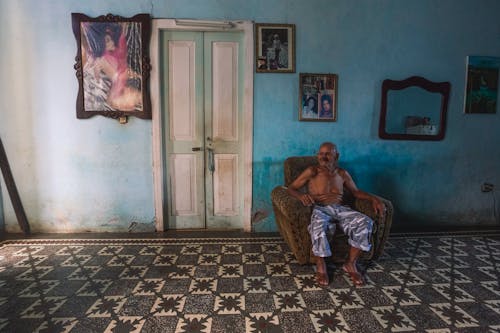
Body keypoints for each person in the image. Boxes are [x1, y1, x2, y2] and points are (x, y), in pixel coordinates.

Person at [287, 142, 385, 286]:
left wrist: (374, 199)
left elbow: (356, 192)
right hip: (321, 208)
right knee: (317, 228)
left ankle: (350, 264)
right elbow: (291, 188)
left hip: (341, 209)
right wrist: (300, 196)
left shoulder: (342, 173)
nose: (323, 156)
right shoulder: (312, 171)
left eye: (327, 153)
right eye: (320, 153)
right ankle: (321, 266)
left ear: (336, 155)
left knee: (365, 222)